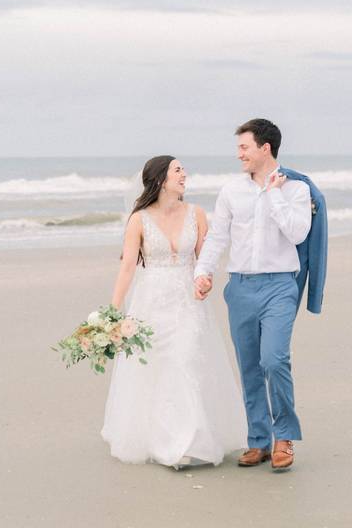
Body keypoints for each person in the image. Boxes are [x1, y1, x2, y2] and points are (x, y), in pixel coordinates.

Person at [101, 155, 246, 468]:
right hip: (151, 303)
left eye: (183, 170)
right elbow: (127, 266)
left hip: (187, 302)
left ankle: (187, 441)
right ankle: (162, 438)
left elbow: (204, 260)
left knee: (185, 361)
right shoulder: (138, 219)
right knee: (157, 368)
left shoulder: (196, 214)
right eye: (177, 170)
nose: (184, 175)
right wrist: (112, 313)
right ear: (160, 179)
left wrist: (204, 281)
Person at [194, 118, 312, 471]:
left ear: (265, 148)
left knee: (274, 360)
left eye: (244, 147)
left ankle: (284, 437)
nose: (239, 154)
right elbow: (218, 237)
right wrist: (203, 272)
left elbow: (298, 234)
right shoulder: (231, 190)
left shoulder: (297, 189)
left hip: (279, 285)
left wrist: (274, 194)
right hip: (241, 288)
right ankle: (258, 441)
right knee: (248, 367)